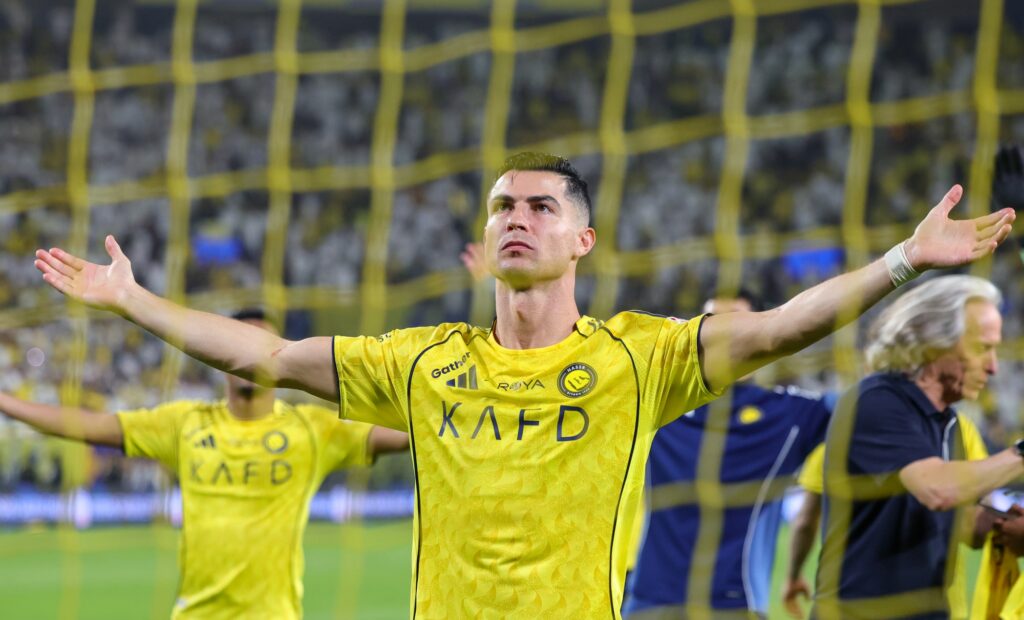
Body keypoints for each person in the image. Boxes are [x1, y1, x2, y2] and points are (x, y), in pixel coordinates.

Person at [34, 152, 1014, 618]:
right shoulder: (423, 362)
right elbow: (270, 358)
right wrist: (134, 299)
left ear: (582, 239)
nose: (516, 215)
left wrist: (901, 261)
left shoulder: (636, 357)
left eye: (542, 206)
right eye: (502, 203)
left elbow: (780, 326)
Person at [0, 309, 409, 619]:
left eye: (261, 345)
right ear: (223, 357)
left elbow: (411, 434)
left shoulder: (313, 429)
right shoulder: (185, 423)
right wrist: (7, 403)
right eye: (240, 346)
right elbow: (92, 426)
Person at [815, 275, 1024, 620]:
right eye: (981, 348)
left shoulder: (948, 423)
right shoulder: (875, 401)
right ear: (933, 343)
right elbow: (939, 490)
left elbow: (962, 523)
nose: (993, 366)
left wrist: (1006, 528)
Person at [623, 294, 832, 619]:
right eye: (712, 321)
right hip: (650, 603)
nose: (724, 333)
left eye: (737, 320)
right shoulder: (655, 403)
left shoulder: (792, 414)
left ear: (764, 332)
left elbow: (865, 406)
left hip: (733, 606)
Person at [785, 416, 990, 619]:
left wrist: (793, 576)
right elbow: (976, 524)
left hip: (849, 600)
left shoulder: (843, 426)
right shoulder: (958, 427)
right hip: (934, 601)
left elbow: (805, 522)